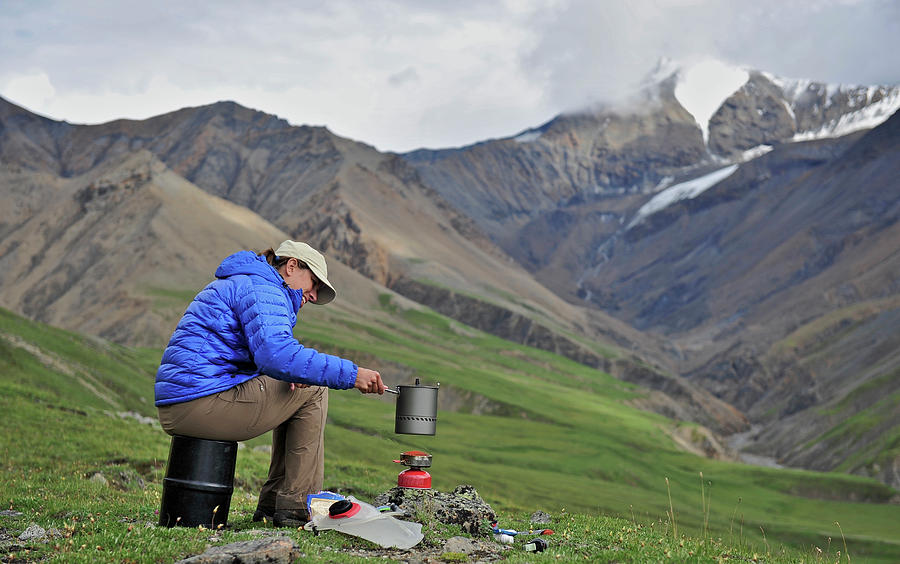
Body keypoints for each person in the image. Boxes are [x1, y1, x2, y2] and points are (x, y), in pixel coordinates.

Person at [154, 240, 386, 527]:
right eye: (313, 284)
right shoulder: (264, 289)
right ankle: (295, 504)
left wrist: (290, 373)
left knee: (297, 381)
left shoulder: (248, 280)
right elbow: (276, 355)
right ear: (291, 266)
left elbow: (251, 356)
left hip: (185, 401)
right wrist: (352, 374)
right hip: (199, 404)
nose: (313, 296)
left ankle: (276, 503)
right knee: (315, 389)